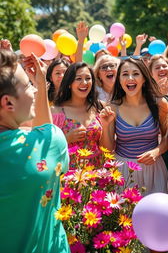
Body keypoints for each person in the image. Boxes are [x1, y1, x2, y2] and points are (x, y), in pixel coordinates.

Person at [0, 50, 69, 253]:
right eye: (29, 86)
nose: (35, 91)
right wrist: (41, 82)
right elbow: (45, 132)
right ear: (8, 102)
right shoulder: (51, 141)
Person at [99, 57, 168, 195]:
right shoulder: (113, 107)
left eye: (136, 73)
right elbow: (106, 149)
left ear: (144, 78)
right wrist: (106, 126)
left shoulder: (159, 104)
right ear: (119, 79)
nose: (130, 78)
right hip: (123, 172)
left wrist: (157, 151)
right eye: (125, 74)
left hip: (154, 170)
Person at [52, 62, 103, 167]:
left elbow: (107, 146)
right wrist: (66, 139)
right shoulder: (56, 112)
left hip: (98, 174)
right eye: (78, 78)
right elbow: (48, 148)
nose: (84, 83)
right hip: (69, 176)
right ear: (69, 83)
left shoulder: (99, 108)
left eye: (88, 78)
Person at [148, 54, 168, 173]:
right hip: (160, 143)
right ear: (151, 73)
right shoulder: (147, 94)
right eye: (157, 67)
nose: (162, 69)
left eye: (165, 66)